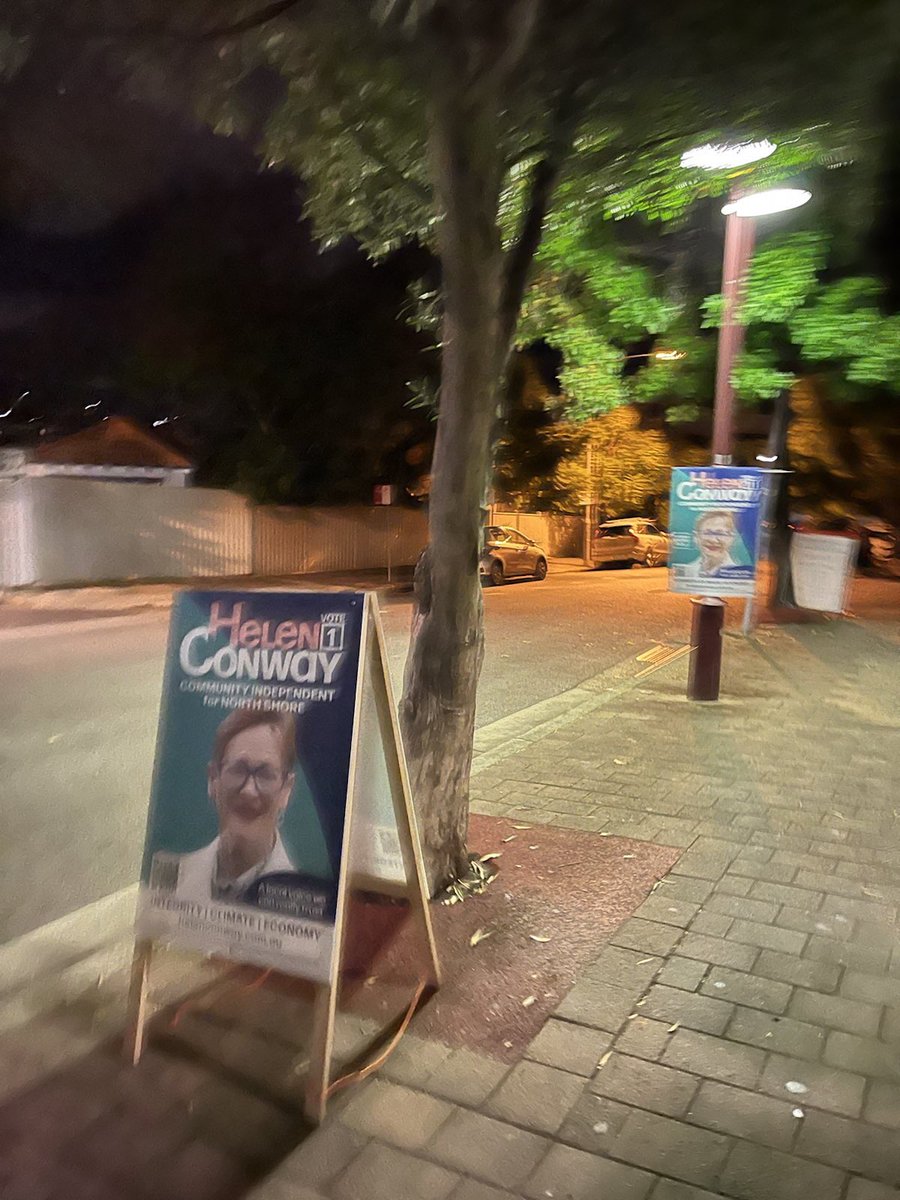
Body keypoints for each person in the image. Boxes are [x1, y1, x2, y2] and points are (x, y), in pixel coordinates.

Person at [164, 707, 299, 905]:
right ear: (213, 779)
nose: (249, 790)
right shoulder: (169, 883)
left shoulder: (306, 905)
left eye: (265, 774)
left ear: (286, 789)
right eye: (238, 769)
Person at [681, 509, 741, 580]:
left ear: (732, 538)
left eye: (720, 533)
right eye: (707, 533)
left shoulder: (739, 574)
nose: (713, 540)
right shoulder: (685, 572)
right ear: (696, 537)